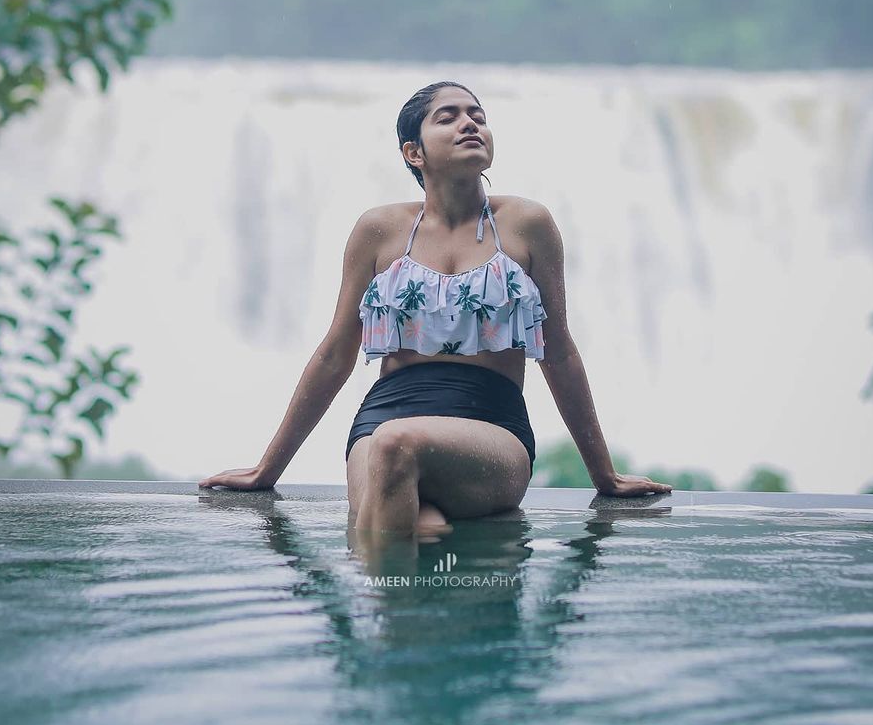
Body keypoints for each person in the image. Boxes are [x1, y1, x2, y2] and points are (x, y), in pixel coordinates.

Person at [199, 80, 672, 537]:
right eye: (448, 118)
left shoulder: (528, 224)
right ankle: (398, 603)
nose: (470, 124)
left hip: (490, 428)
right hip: (381, 421)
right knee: (418, 516)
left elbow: (560, 353)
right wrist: (267, 469)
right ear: (414, 152)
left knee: (395, 446)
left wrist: (604, 477)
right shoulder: (379, 231)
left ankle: (386, 604)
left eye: (478, 117)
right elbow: (335, 354)